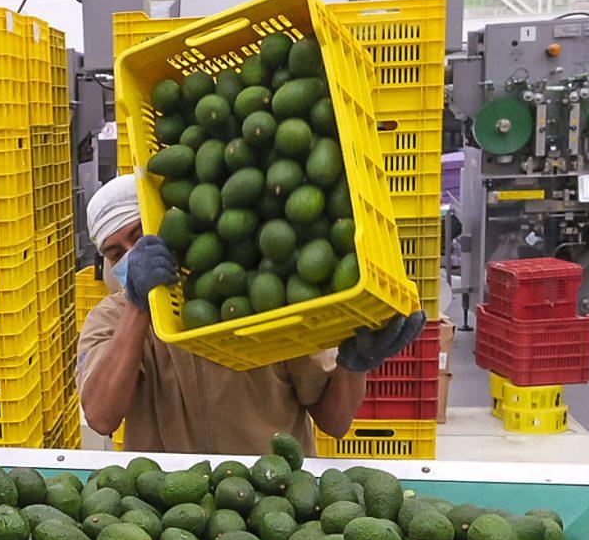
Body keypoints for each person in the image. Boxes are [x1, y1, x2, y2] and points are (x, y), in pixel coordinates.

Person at [76, 174, 423, 455]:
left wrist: (353, 367)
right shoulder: (110, 319)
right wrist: (138, 307)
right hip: (172, 514)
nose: (133, 255)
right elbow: (101, 417)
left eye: (140, 236)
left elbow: (334, 422)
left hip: (275, 504)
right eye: (114, 252)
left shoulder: (257, 296)